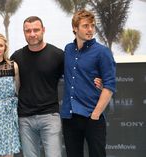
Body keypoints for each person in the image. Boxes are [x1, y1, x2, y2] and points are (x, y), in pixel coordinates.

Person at [61, 9, 116, 157]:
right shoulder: (68, 49)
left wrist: (96, 114)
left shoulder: (103, 52)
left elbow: (109, 86)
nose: (90, 29)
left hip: (93, 116)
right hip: (70, 117)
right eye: (85, 26)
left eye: (92, 25)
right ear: (75, 28)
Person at [10, 16, 63, 157]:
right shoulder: (16, 57)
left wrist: (96, 80)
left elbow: (75, 77)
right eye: (28, 31)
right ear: (24, 32)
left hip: (50, 116)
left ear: (43, 30)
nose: (32, 34)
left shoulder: (57, 55)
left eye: (36, 30)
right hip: (25, 118)